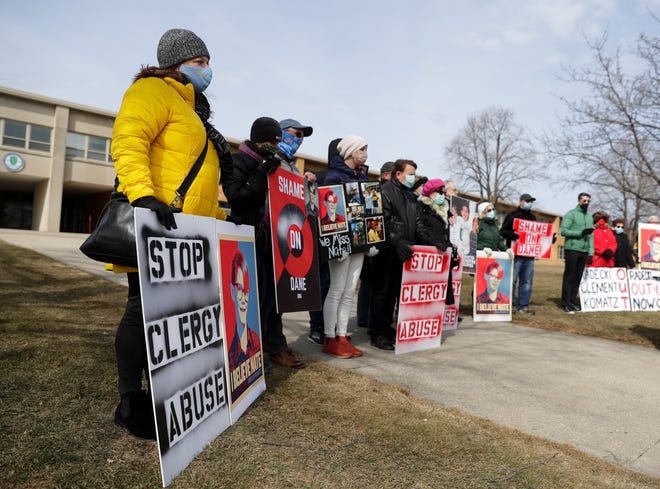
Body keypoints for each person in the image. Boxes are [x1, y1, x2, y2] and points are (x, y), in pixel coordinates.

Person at [111, 28, 231, 439]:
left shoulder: (195, 112)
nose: (207, 70)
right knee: (140, 310)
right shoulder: (151, 92)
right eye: (199, 62)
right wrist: (142, 194)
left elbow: (197, 177)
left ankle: (171, 393)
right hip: (155, 222)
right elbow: (129, 142)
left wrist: (219, 217)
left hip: (189, 233)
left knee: (175, 317)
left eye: (207, 62)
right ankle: (131, 400)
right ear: (176, 63)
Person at [225, 116, 313, 368]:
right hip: (246, 238)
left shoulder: (276, 165)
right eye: (271, 144)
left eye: (276, 145)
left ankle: (275, 345)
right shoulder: (240, 161)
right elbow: (237, 196)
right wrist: (262, 173)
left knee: (275, 298)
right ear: (259, 141)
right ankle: (249, 347)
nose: (275, 149)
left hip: (274, 241)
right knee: (248, 299)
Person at [368, 159, 439, 350]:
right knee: (382, 293)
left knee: (393, 293)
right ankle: (377, 333)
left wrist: (432, 242)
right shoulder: (384, 191)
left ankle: (387, 327)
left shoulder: (409, 196)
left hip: (404, 253)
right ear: (398, 174)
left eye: (414, 174)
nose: (412, 177)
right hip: (386, 251)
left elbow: (417, 224)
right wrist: (395, 241)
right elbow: (383, 220)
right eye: (410, 173)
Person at [322, 135, 375, 358]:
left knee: (349, 291)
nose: (364, 152)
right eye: (362, 148)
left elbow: (371, 209)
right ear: (351, 151)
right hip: (342, 242)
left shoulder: (363, 177)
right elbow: (328, 210)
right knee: (336, 289)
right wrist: (336, 242)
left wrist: (373, 239)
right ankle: (328, 336)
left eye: (366, 148)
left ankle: (342, 336)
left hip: (360, 240)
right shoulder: (333, 176)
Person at [227, 250, 262, 400]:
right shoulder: (229, 357)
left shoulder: (256, 341)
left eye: (247, 292)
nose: (244, 299)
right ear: (232, 291)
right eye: (240, 289)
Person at [418, 178, 456, 305]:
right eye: (439, 192)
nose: (442, 196)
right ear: (431, 193)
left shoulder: (445, 210)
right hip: (428, 254)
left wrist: (452, 248)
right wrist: (433, 243)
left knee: (440, 291)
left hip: (443, 253)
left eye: (443, 192)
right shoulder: (421, 207)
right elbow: (420, 230)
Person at [500, 193, 538, 315]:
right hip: (515, 255)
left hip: (529, 255)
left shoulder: (533, 218)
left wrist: (547, 239)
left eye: (531, 201)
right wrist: (512, 234)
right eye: (527, 201)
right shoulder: (512, 215)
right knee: (512, 280)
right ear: (521, 202)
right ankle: (509, 305)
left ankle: (523, 306)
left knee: (527, 281)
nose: (529, 203)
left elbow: (536, 235)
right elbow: (503, 231)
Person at [560, 193, 594, 314]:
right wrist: (580, 233)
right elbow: (563, 231)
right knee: (569, 276)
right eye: (584, 201)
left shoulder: (590, 217)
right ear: (579, 201)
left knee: (577, 277)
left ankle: (572, 301)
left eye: (588, 201)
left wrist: (591, 253)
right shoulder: (571, 214)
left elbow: (591, 236)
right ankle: (565, 303)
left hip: (584, 251)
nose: (586, 203)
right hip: (572, 249)